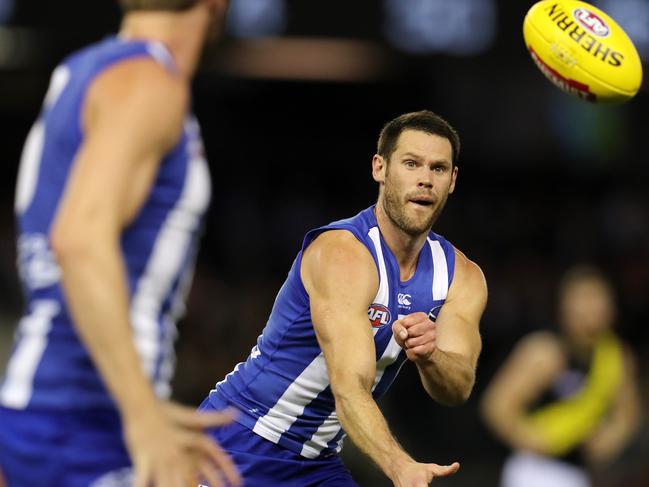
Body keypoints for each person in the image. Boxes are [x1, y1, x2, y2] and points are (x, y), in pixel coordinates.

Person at [0, 1, 242, 486]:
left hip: (46, 408)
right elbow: (79, 240)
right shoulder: (149, 82)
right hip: (86, 421)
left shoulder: (87, 70)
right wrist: (142, 413)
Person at [198, 110, 488, 486]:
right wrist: (400, 466)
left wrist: (432, 356)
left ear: (452, 181)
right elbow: (348, 388)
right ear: (380, 169)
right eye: (411, 164)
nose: (424, 180)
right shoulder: (343, 254)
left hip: (316, 463)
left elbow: (458, 387)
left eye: (437, 168)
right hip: (239, 443)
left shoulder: (462, 277)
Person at [481, 265, 642, 487]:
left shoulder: (618, 358)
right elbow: (496, 407)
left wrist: (611, 437)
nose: (589, 312)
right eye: (582, 302)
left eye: (596, 301)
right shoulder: (543, 352)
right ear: (564, 308)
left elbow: (628, 413)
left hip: (583, 473)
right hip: (537, 470)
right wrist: (530, 437)